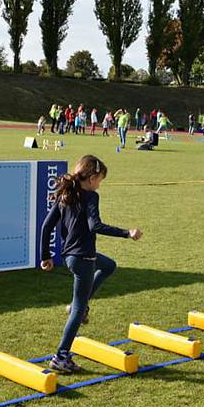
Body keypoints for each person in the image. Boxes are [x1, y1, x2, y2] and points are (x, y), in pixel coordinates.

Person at [40, 155, 142, 373]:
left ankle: (82, 305)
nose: (100, 184)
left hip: (70, 256)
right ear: (93, 177)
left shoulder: (66, 194)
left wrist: (46, 256)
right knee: (77, 311)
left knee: (109, 266)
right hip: (84, 258)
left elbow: (46, 226)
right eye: (100, 179)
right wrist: (127, 233)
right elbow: (95, 226)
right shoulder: (91, 196)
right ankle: (61, 356)